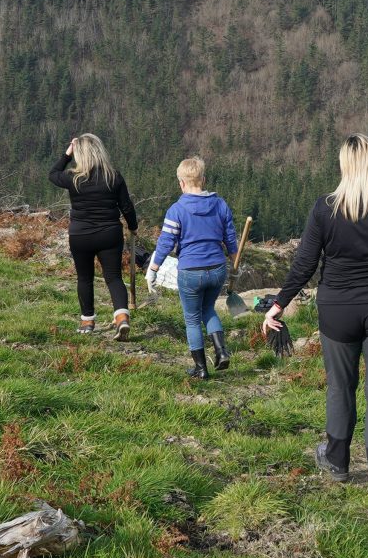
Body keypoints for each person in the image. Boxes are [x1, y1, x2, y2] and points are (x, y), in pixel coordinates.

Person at [264, 134, 368, 497]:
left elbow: (304, 264)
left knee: (341, 387)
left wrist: (278, 303)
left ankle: (337, 463)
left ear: (344, 165)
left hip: (336, 310)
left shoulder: (325, 209)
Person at [149, 156, 240, 379]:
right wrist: (235, 263)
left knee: (191, 318)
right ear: (203, 179)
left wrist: (153, 269)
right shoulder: (220, 205)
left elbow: (165, 243)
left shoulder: (177, 210)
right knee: (208, 309)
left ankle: (201, 369)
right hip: (217, 269)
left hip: (190, 272)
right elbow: (230, 239)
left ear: (181, 183)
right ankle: (221, 351)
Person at [51, 133, 137, 336]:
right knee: (114, 277)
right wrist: (133, 226)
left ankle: (87, 322)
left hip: (80, 235)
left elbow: (53, 173)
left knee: (84, 278)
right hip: (109, 233)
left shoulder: (73, 177)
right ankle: (122, 317)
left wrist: (67, 154)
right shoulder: (113, 176)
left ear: (79, 154)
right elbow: (126, 206)